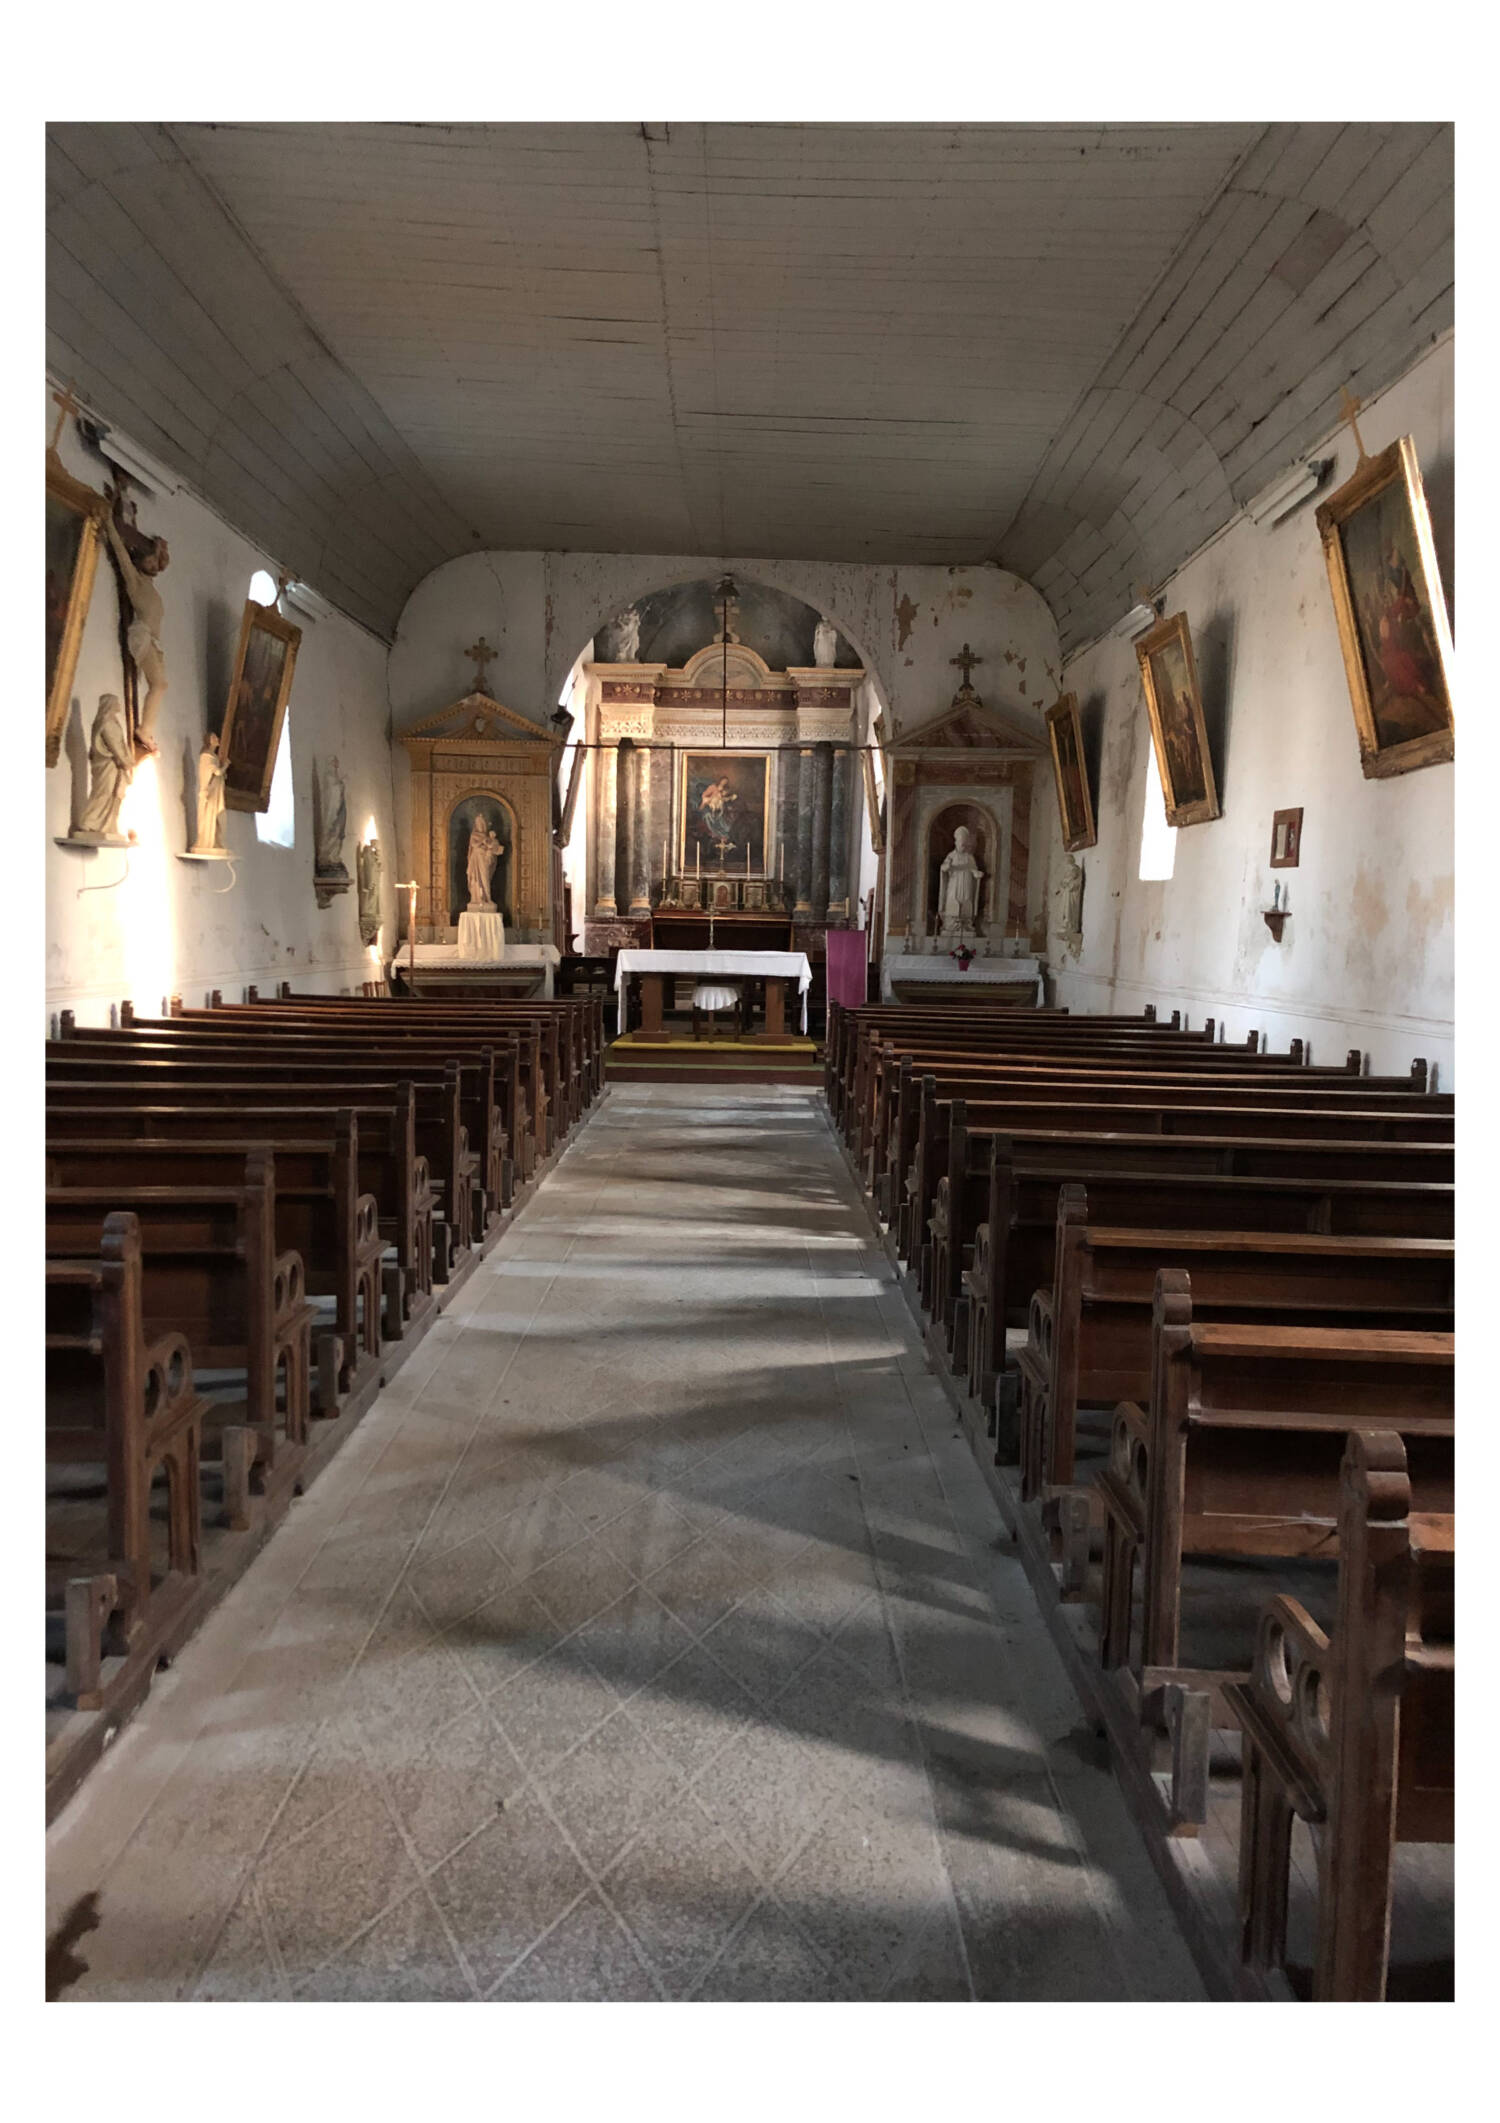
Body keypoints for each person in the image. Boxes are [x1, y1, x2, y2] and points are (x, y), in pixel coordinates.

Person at [103, 491, 169, 758]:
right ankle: (144, 730)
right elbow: (120, 551)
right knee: (160, 684)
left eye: (154, 560)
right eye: (149, 559)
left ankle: (145, 729)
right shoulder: (135, 580)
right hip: (141, 635)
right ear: (139, 562)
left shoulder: (151, 585)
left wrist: (160, 549)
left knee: (161, 684)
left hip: (152, 640)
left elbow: (162, 561)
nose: (153, 564)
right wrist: (109, 519)